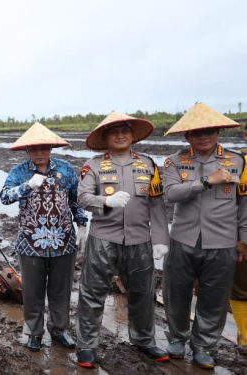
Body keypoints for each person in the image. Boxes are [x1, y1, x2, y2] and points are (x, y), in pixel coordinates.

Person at [75, 112, 170, 367]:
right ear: (105, 137)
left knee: (142, 292)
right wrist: (105, 200)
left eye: (124, 130)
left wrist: (161, 238)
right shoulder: (93, 165)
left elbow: (157, 204)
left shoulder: (148, 164)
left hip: (140, 239)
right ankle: (86, 345)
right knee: (92, 293)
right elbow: (82, 198)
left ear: (132, 135)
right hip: (103, 238)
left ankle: (143, 339)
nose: (119, 135)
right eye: (114, 131)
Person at [161, 103, 247, 369]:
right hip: (183, 238)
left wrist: (243, 238)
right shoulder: (174, 161)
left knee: (215, 297)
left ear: (219, 131)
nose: (204, 137)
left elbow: (243, 203)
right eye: (197, 133)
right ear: (187, 136)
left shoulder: (236, 161)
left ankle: (204, 346)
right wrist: (206, 182)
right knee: (176, 293)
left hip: (222, 240)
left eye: (209, 131)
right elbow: (171, 194)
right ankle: (176, 339)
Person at [0, 122, 87, 352]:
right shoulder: (19, 172)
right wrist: (26, 186)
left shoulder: (66, 169)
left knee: (61, 290)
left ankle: (59, 330)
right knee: (33, 291)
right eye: (34, 149)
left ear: (51, 148)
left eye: (44, 148)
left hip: (63, 241)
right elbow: (5, 197)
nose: (39, 153)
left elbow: (76, 200)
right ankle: (35, 332)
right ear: (27, 150)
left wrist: (82, 224)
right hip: (30, 243)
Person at [231, 125, 247, 355]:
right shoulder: (237, 164)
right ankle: (245, 336)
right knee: (241, 290)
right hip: (242, 238)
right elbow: (225, 205)